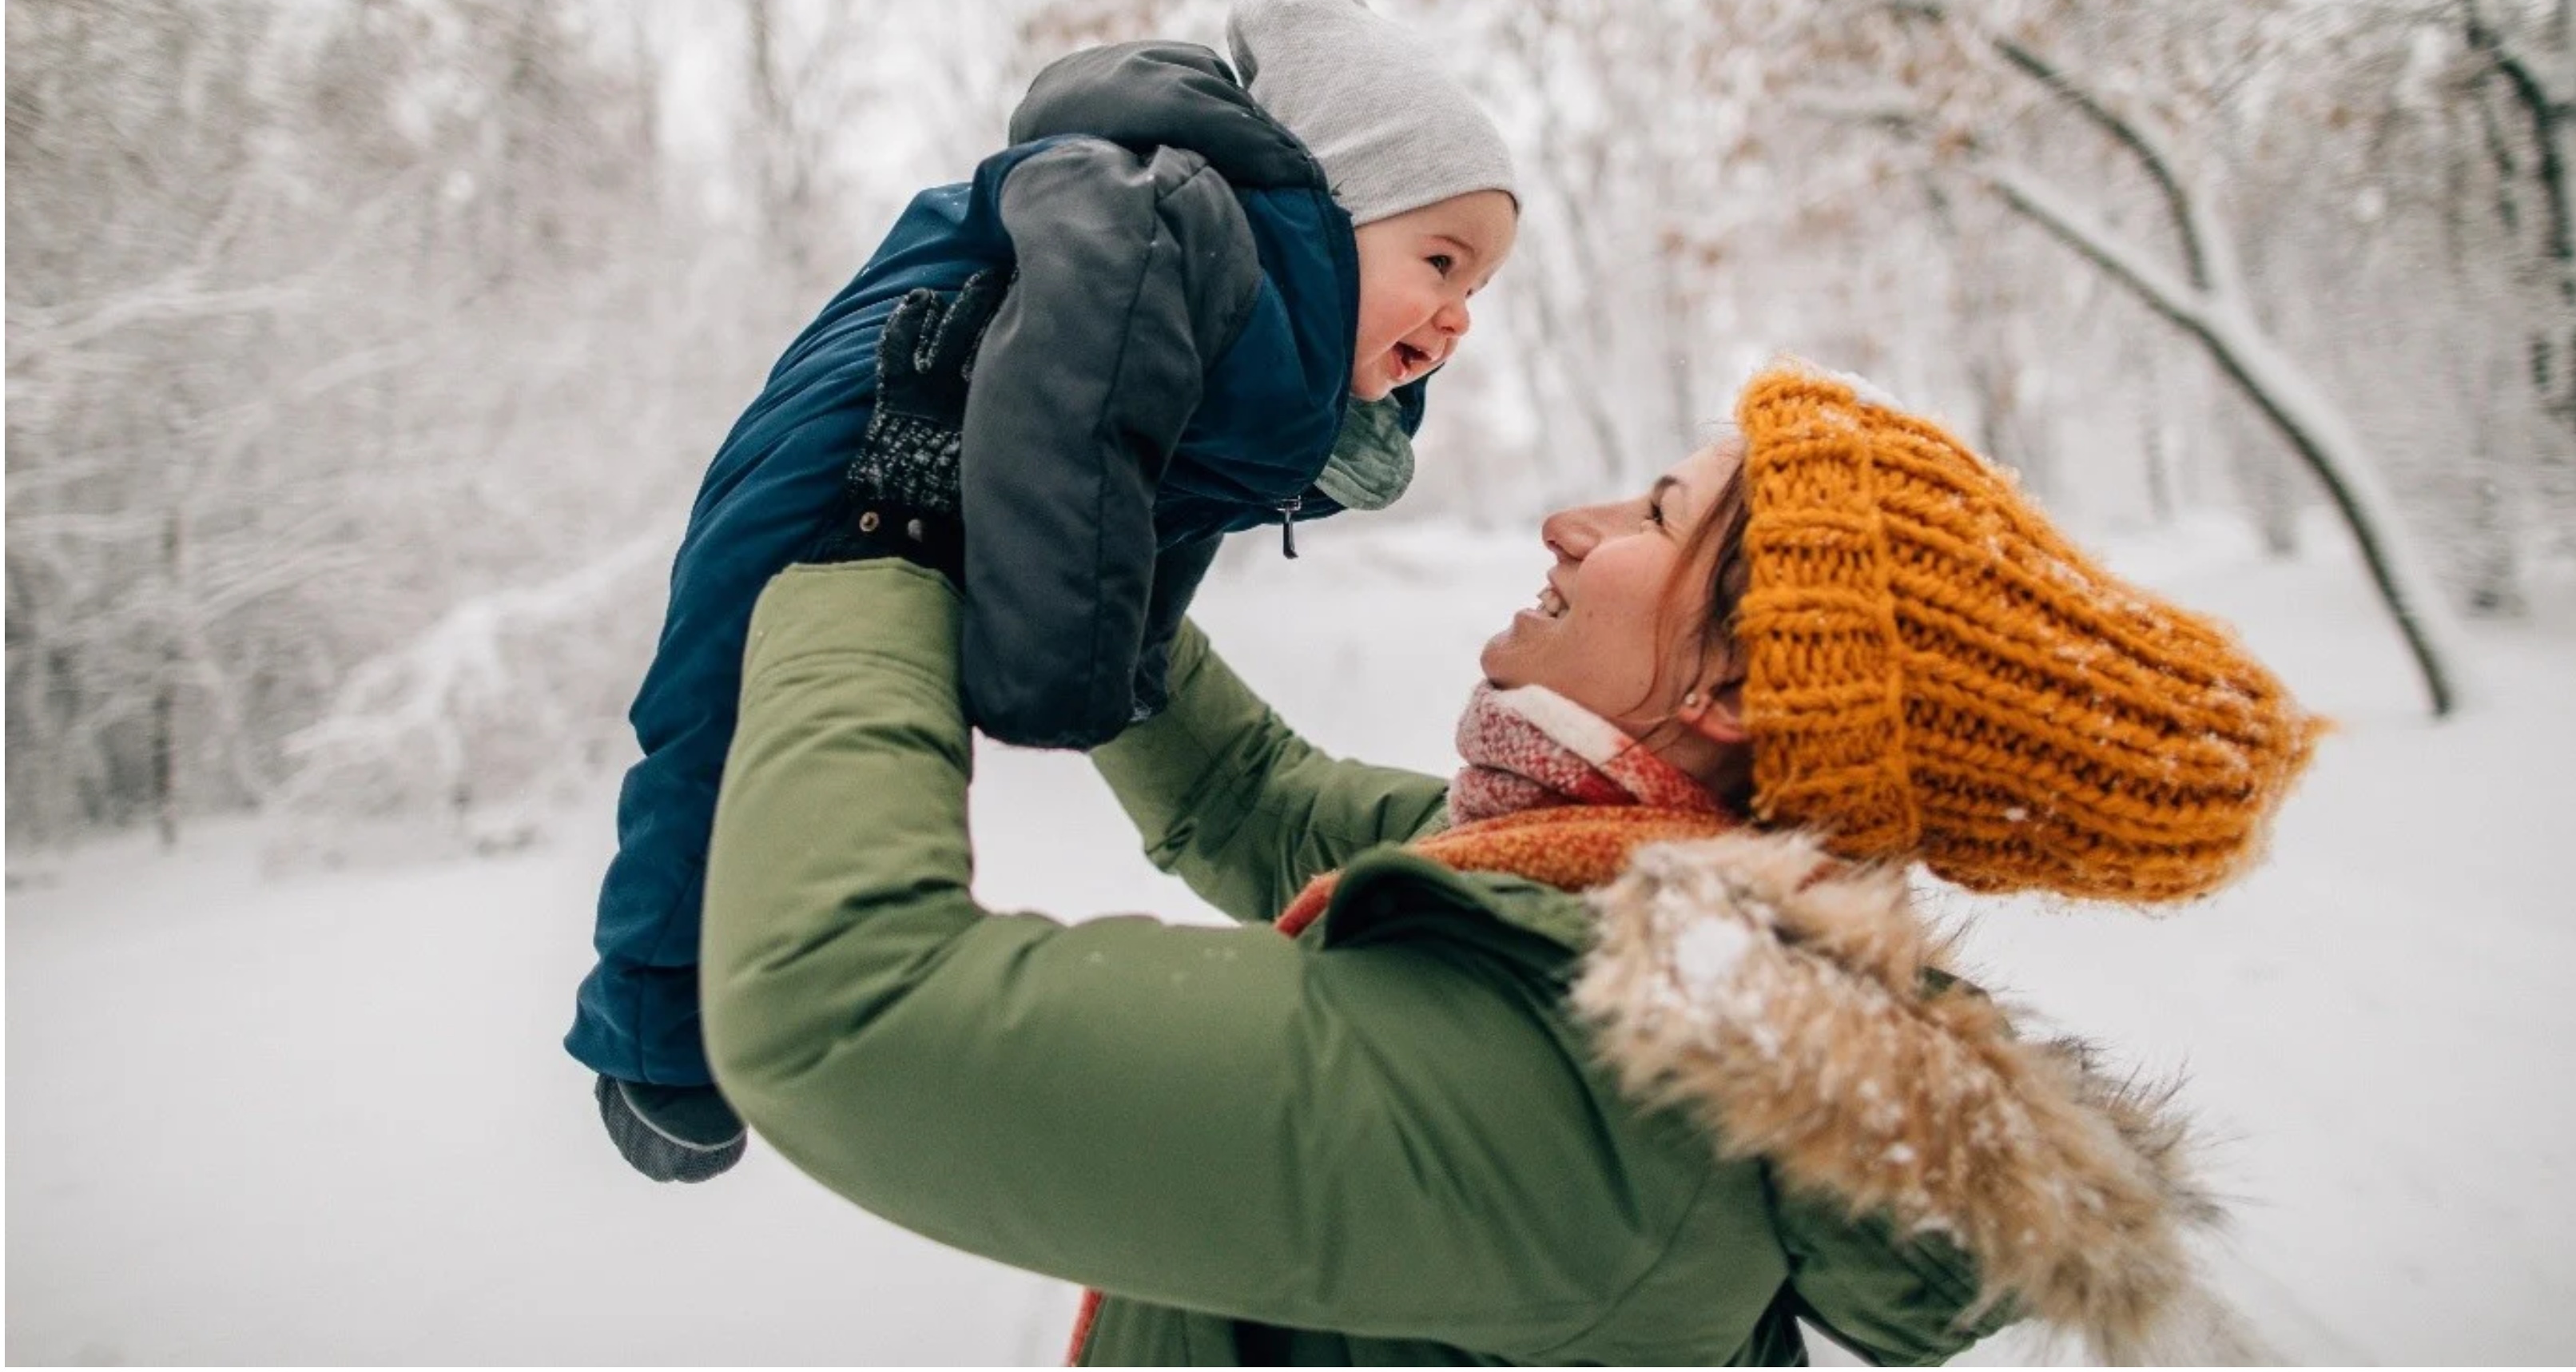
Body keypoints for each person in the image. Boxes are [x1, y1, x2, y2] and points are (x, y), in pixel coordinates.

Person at [695, 319, 2323, 1366]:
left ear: (1740, 685)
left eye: (1657, 517)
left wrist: (884, 545)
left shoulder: (1581, 1102)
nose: (1572, 526)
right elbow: (1249, 800)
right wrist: (1059, 524)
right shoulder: (1589, 891)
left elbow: (845, 1005)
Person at [572, 0, 1521, 1182]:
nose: (1459, 314)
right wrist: (1060, 670)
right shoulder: (1156, 209)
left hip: (967, 455)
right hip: (843, 436)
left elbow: (1157, 492)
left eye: (1476, 289)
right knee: (716, 715)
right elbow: (1074, 421)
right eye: (1440, 261)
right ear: (1333, 206)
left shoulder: (1271, 313)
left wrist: (1125, 645)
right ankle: (649, 1029)